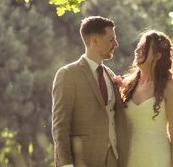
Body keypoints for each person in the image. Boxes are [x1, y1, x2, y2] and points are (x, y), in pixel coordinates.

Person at [51, 16, 127, 167]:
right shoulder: (68, 74)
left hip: (114, 159)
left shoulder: (110, 75)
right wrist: (66, 164)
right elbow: (60, 124)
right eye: (111, 40)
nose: (116, 44)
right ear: (94, 40)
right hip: (83, 160)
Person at [120, 30, 173, 167]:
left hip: (157, 157)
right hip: (127, 158)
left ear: (157, 55)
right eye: (138, 46)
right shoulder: (126, 85)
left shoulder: (169, 86)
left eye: (143, 48)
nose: (137, 50)